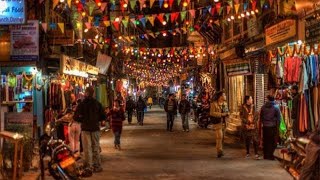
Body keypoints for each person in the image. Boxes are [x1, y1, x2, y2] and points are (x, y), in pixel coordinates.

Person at [73, 86, 105, 173]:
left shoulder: (82, 104)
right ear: (93, 93)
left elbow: (75, 117)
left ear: (86, 93)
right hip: (95, 128)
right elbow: (103, 116)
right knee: (95, 147)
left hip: (86, 128)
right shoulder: (97, 103)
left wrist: (82, 119)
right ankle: (97, 165)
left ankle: (89, 166)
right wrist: (96, 119)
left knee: (87, 148)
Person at [260, 95, 281, 160]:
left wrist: (263, 123)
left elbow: (261, 117)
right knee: (272, 141)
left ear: (268, 99)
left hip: (265, 126)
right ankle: (271, 156)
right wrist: (277, 126)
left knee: (266, 141)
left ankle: (266, 155)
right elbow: (279, 118)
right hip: (273, 127)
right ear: (273, 99)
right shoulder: (276, 107)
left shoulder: (263, 107)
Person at [209, 91, 229, 158]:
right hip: (217, 123)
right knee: (219, 136)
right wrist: (221, 114)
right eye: (224, 95)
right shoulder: (214, 104)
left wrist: (227, 113)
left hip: (224, 123)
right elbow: (212, 113)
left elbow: (226, 111)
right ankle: (219, 151)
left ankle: (221, 150)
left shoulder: (225, 104)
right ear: (220, 97)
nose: (225, 96)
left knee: (222, 138)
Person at [240, 95, 260, 159]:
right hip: (246, 127)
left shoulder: (254, 106)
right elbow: (241, 116)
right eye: (251, 99)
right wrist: (247, 122)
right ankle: (247, 152)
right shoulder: (242, 107)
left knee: (255, 140)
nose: (252, 100)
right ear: (247, 100)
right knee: (247, 140)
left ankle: (256, 153)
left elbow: (257, 115)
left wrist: (253, 122)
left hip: (254, 126)